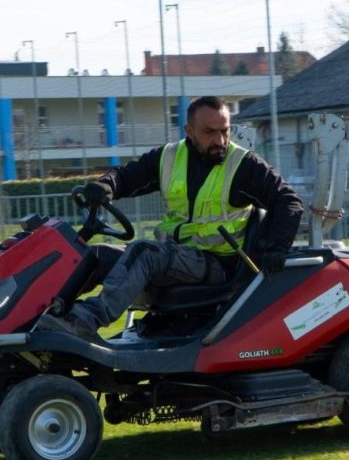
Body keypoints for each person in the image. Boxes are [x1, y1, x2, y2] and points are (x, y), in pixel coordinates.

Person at [37, 95, 303, 341]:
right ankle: (50, 315)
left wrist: (276, 248)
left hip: (217, 265)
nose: (220, 141)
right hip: (177, 257)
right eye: (210, 132)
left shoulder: (244, 164)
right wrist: (106, 185)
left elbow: (288, 201)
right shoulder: (168, 157)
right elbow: (128, 176)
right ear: (189, 132)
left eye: (225, 131)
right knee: (97, 256)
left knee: (144, 252)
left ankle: (83, 322)